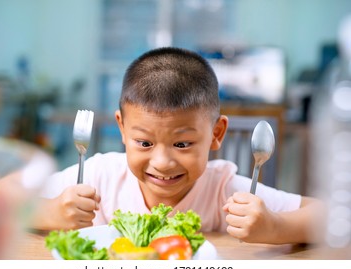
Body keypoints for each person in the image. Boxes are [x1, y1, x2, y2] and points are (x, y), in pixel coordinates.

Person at [31, 47, 325, 244]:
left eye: (182, 143)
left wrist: (275, 227)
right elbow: (0, 200)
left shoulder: (224, 189)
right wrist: (49, 212)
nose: (162, 162)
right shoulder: (99, 176)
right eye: (144, 142)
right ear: (122, 128)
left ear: (216, 134)